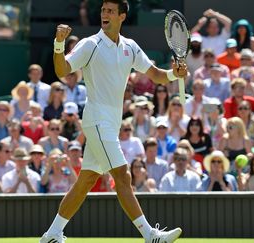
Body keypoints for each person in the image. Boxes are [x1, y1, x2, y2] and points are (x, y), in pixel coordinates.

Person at [41, 1, 186, 241]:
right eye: (103, 11)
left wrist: (174, 74)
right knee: (123, 175)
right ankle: (151, 236)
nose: (104, 15)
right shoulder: (90, 44)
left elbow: (155, 75)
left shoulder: (130, 46)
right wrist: (59, 44)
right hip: (97, 120)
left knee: (86, 180)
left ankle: (52, 234)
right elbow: (62, 71)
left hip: (111, 123)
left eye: (110, 11)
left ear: (122, 16)